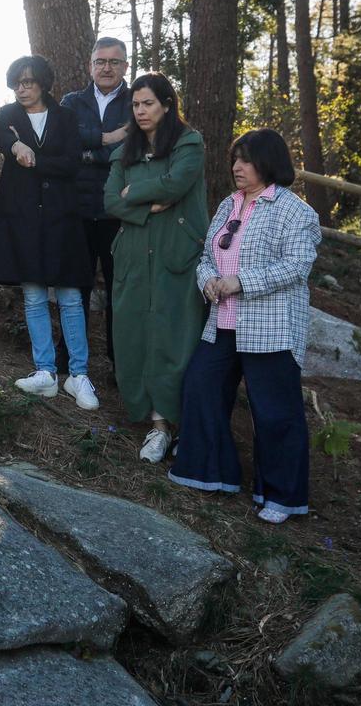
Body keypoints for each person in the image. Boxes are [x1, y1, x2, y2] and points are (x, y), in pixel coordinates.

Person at [169, 129, 321, 524]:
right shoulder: (229, 204)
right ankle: (210, 473)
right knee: (201, 386)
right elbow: (207, 256)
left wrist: (241, 282)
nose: (237, 166)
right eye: (235, 159)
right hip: (223, 321)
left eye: (247, 160)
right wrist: (208, 280)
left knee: (275, 412)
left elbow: (297, 265)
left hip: (271, 327)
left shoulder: (294, 210)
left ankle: (282, 498)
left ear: (268, 163)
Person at [0, 55, 98, 409]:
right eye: (17, 83)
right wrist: (16, 145)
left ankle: (78, 375)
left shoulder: (66, 117)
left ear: (43, 84)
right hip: (23, 217)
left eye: (28, 82)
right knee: (33, 296)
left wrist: (35, 159)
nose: (22, 89)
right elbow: (4, 139)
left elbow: (71, 163)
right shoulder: (7, 115)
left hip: (63, 216)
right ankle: (45, 372)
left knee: (70, 296)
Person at [103, 72, 207, 463]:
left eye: (148, 103)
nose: (141, 111)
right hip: (132, 254)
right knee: (132, 334)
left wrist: (136, 191)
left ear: (166, 104)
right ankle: (153, 423)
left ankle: (176, 424)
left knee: (174, 337)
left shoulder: (188, 143)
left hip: (175, 254)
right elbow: (111, 200)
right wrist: (148, 207)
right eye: (135, 105)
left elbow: (176, 183)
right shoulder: (125, 151)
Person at [61, 37, 132, 372]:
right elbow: (65, 146)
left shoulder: (136, 101)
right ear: (90, 66)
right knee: (76, 286)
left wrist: (89, 153)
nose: (106, 68)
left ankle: (121, 365)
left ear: (125, 66)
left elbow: (132, 151)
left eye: (114, 62)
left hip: (120, 212)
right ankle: (70, 360)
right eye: (100, 62)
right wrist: (106, 142)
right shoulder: (71, 102)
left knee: (121, 289)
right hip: (77, 207)